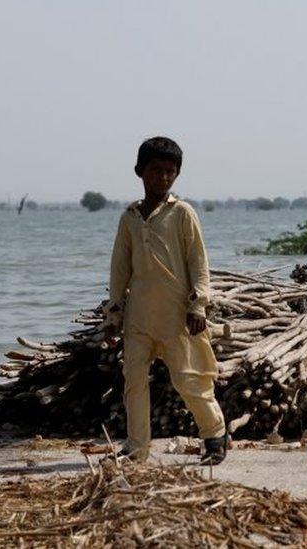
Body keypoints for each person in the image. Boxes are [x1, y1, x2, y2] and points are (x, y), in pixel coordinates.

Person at [106, 137, 228, 465]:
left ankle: (215, 436)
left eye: (169, 172)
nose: (162, 177)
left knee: (189, 378)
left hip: (177, 315)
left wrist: (198, 305)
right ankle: (137, 449)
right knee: (134, 383)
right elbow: (120, 269)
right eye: (156, 170)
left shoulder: (182, 213)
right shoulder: (130, 218)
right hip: (139, 317)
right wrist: (113, 313)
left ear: (176, 175)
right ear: (139, 171)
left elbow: (198, 263)